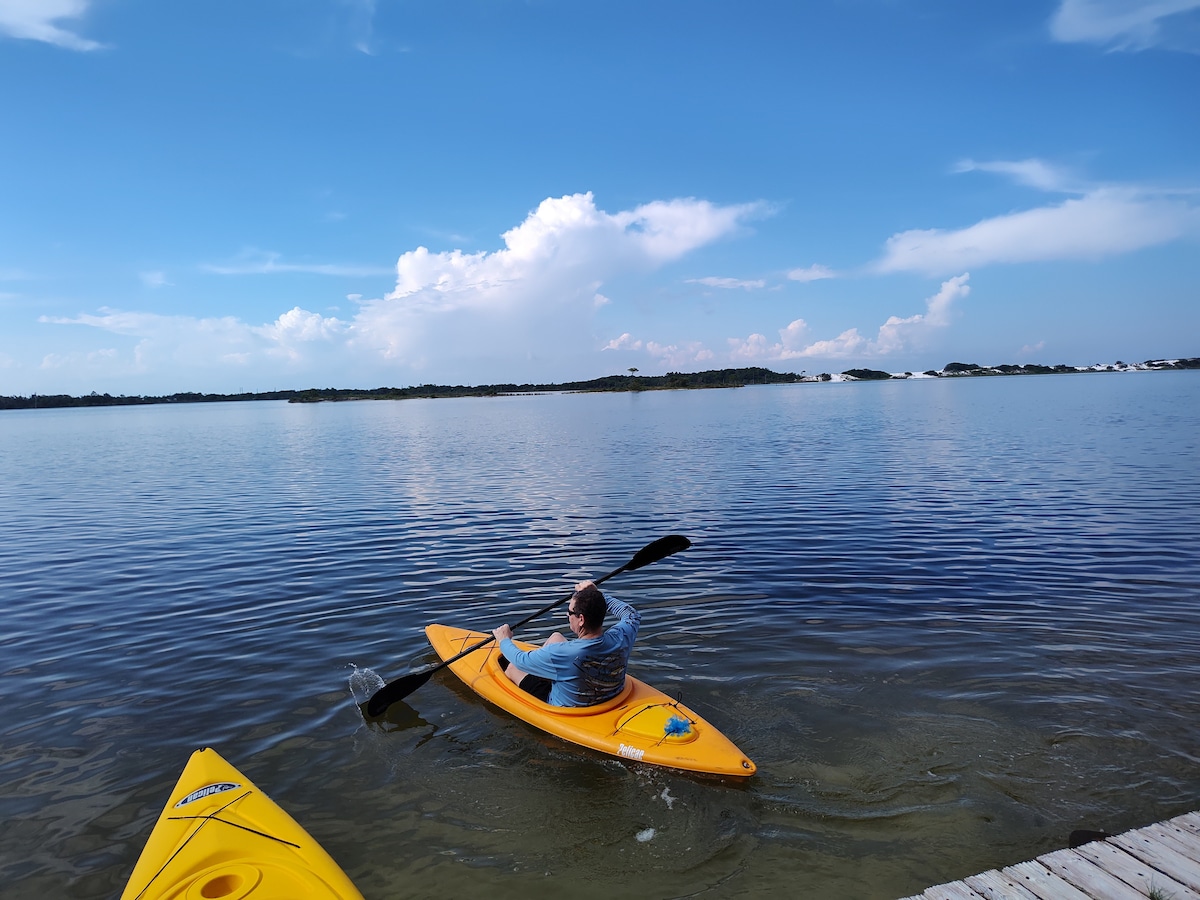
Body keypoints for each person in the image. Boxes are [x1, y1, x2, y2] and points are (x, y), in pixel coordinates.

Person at [492, 580, 640, 707]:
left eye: (569, 612)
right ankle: (547, 673)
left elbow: (520, 660)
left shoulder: (561, 652)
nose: (567, 615)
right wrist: (597, 596)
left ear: (581, 619)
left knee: (511, 668)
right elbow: (631, 613)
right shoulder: (622, 636)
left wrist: (504, 639)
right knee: (556, 636)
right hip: (611, 695)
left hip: (568, 708)